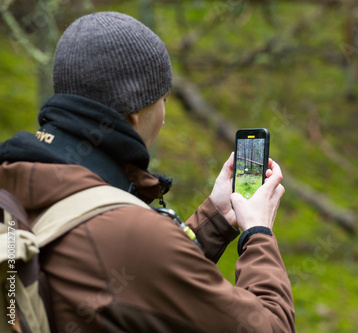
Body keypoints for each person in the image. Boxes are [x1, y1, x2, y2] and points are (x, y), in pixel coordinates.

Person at [0, 11, 294, 333]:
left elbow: (140, 279)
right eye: (162, 99)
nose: (165, 117)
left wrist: (216, 219)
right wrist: (258, 232)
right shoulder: (132, 235)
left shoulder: (17, 177)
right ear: (134, 112)